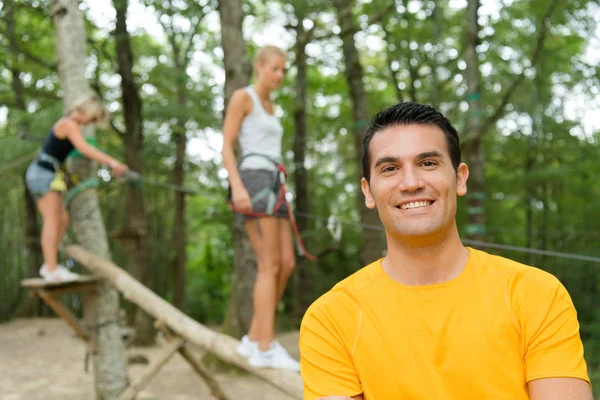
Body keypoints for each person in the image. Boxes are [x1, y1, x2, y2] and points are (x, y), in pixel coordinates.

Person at [299, 102, 592, 399]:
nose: (411, 183)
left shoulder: (536, 294)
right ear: (368, 192)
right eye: (390, 169)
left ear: (460, 178)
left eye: (427, 163)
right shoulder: (331, 318)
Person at [221, 45, 299, 371]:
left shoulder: (271, 106)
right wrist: (237, 186)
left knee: (287, 264)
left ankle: (254, 338)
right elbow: (226, 143)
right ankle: (265, 347)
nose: (279, 75)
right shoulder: (244, 97)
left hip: (275, 180)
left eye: (283, 70)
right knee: (268, 264)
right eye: (274, 69)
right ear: (259, 67)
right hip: (253, 178)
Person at [25, 94, 128, 282]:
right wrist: (112, 162)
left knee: (63, 220)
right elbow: (84, 148)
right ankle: (50, 268)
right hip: (41, 173)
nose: (91, 122)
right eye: (93, 118)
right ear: (86, 111)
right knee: (53, 219)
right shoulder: (68, 123)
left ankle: (50, 264)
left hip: (48, 174)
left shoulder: (70, 127)